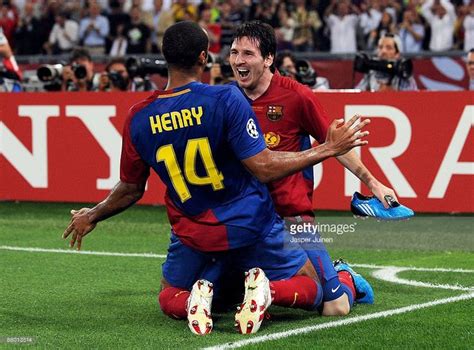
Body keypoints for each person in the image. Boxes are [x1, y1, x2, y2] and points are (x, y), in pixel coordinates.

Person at [62, 21, 369, 335]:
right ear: (203, 58)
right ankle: (269, 292)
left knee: (169, 293)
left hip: (193, 235)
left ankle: (194, 301)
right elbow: (262, 166)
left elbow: (130, 188)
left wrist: (93, 214)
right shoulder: (225, 99)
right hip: (250, 226)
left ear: (164, 58)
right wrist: (328, 149)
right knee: (314, 287)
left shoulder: (138, 117)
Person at [228, 21, 394, 316]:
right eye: (234, 52)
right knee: (225, 295)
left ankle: (346, 277)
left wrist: (373, 183)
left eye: (248, 54)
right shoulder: (227, 98)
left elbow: (335, 144)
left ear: (268, 59)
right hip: (244, 218)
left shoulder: (297, 96)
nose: (239, 61)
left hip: (292, 216)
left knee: (335, 307)